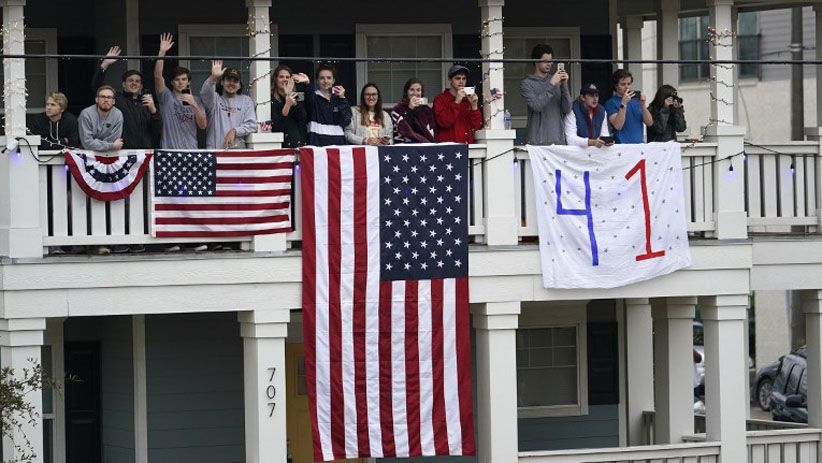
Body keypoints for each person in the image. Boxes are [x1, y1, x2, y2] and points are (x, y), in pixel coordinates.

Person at [92, 46, 162, 149]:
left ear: (141, 86)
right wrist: (105, 63)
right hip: (124, 154)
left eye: (137, 81)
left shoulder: (148, 103)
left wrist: (153, 111)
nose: (134, 83)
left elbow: (157, 130)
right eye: (130, 80)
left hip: (145, 154)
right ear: (124, 84)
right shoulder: (118, 99)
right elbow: (97, 86)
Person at [154, 33, 208, 149]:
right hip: (169, 150)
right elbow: (158, 76)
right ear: (172, 82)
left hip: (190, 149)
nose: (180, 82)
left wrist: (194, 105)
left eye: (184, 79)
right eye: (177, 79)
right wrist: (162, 52)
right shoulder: (166, 97)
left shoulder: (197, 100)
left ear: (189, 82)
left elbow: (203, 126)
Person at [521, 44, 572, 145]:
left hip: (558, 140)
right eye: (545, 61)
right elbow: (536, 106)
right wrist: (551, 85)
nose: (549, 64)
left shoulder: (556, 80)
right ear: (535, 60)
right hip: (537, 142)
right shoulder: (527, 83)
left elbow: (567, 109)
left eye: (551, 61)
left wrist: (564, 84)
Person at [200, 60, 257, 149]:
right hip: (216, 153)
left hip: (238, 153)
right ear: (222, 82)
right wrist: (213, 77)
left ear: (239, 85)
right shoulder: (214, 99)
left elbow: (252, 125)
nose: (231, 83)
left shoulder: (246, 101)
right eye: (228, 80)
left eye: (235, 81)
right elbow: (205, 93)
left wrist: (235, 131)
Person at [298, 63, 351, 146]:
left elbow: (347, 120)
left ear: (333, 80)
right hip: (317, 144)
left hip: (338, 144)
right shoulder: (313, 97)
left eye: (329, 78)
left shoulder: (339, 99)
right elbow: (308, 98)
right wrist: (307, 84)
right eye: (322, 78)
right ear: (317, 81)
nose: (325, 81)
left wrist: (342, 98)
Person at [434, 64, 482, 144]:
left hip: (465, 147)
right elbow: (444, 122)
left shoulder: (468, 100)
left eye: (464, 78)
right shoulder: (440, 99)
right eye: (457, 78)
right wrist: (457, 102)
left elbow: (476, 126)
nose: (461, 81)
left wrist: (474, 106)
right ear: (450, 79)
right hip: (447, 148)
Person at [604, 69, 654, 144]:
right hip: (622, 145)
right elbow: (618, 126)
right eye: (623, 84)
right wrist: (623, 104)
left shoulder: (636, 100)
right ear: (616, 86)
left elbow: (650, 123)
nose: (627, 87)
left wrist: (643, 105)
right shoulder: (611, 103)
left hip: (639, 144)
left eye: (629, 84)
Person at [268, 65, 308, 148]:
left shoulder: (297, 96)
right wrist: (287, 105)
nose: (285, 79)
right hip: (280, 146)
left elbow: (303, 119)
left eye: (287, 77)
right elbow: (277, 126)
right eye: (281, 77)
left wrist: (291, 100)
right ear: (275, 79)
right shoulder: (270, 99)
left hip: (297, 144)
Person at [564, 83, 611, 148]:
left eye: (597, 95)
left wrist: (606, 141)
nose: (595, 99)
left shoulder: (602, 110)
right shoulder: (573, 110)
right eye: (591, 95)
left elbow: (604, 134)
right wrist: (590, 142)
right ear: (582, 97)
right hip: (576, 154)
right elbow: (570, 139)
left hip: (595, 154)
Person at [78, 85, 124, 152]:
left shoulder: (118, 114)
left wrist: (96, 144)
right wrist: (111, 145)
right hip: (89, 155)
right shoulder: (86, 114)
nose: (106, 100)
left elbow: (113, 139)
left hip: (110, 154)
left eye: (109, 97)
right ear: (96, 99)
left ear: (113, 101)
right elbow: (87, 143)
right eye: (103, 97)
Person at [391, 78, 437, 144]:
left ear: (422, 92)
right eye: (412, 90)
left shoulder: (427, 110)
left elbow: (432, 133)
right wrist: (410, 109)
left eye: (418, 90)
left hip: (424, 148)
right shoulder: (398, 109)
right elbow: (404, 129)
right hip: (405, 147)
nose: (415, 93)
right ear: (406, 92)